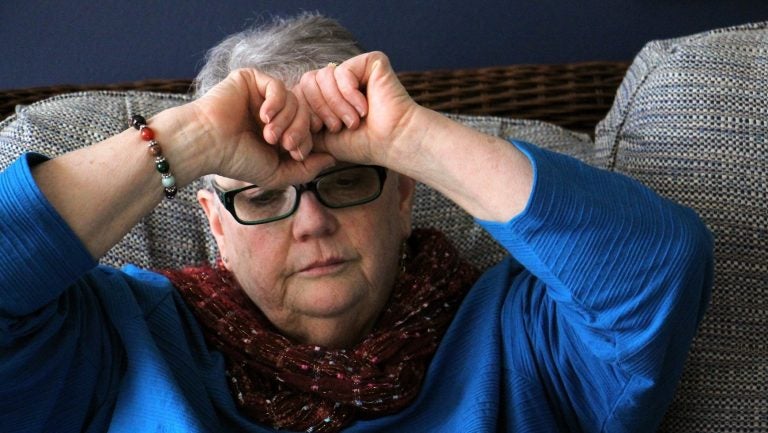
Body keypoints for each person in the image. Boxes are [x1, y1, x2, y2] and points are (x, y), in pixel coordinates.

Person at [0, 12, 713, 433]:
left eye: (344, 179)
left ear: (403, 194)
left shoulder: (519, 340)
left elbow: (659, 267)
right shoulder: (116, 339)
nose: (310, 221)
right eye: (260, 194)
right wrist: (189, 142)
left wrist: (408, 137)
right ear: (214, 223)